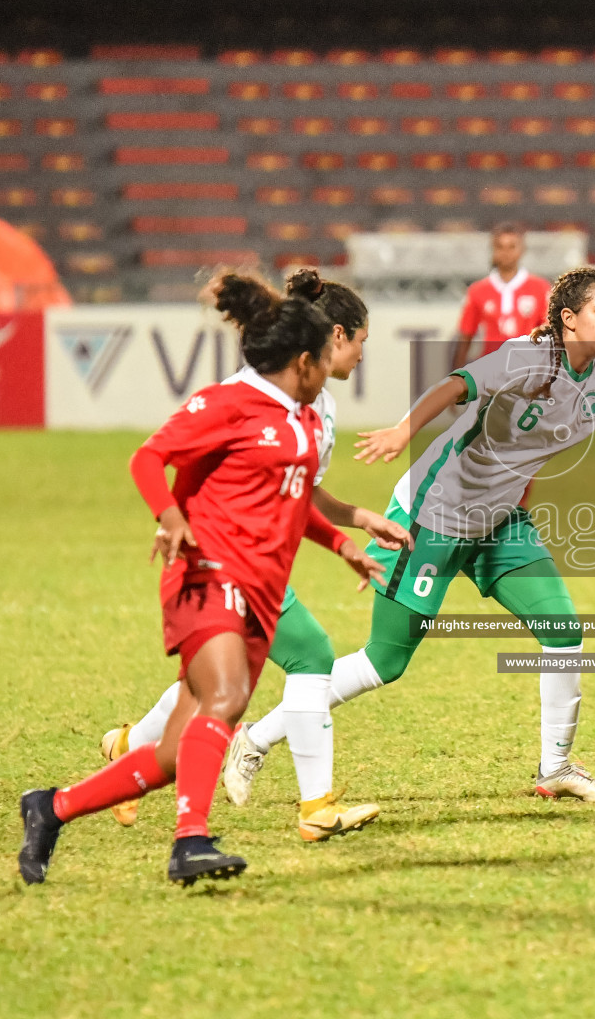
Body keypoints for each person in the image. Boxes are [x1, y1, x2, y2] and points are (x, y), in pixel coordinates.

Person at [225, 266, 595, 806]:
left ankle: (555, 768)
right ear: (569, 319)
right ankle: (254, 739)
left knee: (563, 634)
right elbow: (455, 385)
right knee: (384, 662)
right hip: (433, 515)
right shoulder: (525, 358)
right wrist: (402, 431)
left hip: (499, 521)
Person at [16, 270, 410, 886]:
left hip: (262, 585)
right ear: (305, 360)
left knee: (176, 753)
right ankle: (190, 841)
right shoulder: (230, 403)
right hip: (207, 573)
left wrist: (344, 544)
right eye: (332, 354)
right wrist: (171, 518)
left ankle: (52, 807)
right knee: (226, 701)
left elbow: (294, 497)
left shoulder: (304, 418)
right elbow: (148, 458)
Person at [100, 275, 396, 843]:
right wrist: (170, 515)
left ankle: (131, 747)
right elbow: (165, 461)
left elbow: (296, 490)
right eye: (361, 340)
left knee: (203, 685)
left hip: (263, 555)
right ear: (333, 336)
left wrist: (355, 523)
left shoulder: (313, 406)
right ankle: (314, 806)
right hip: (229, 556)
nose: (363, 354)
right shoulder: (253, 397)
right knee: (310, 653)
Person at [450, 221, 551, 371]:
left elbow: (550, 333)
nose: (506, 252)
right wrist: (456, 377)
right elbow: (466, 336)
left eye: (512, 246)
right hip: (491, 369)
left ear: (522, 249)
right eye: (500, 247)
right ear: (493, 250)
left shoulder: (540, 288)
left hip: (529, 370)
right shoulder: (478, 290)